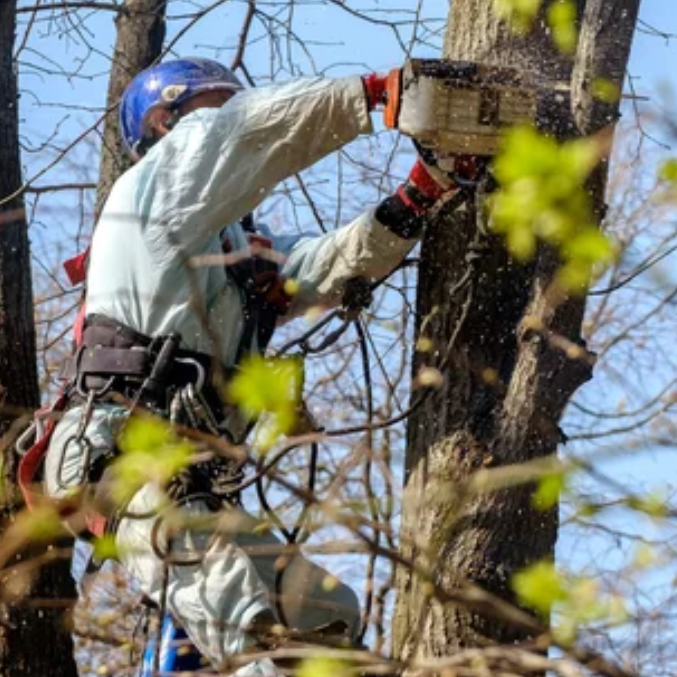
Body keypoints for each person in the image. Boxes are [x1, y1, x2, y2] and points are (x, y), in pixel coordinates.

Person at [42, 57, 467, 675]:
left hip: (190, 479)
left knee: (325, 614)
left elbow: (325, 266)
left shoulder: (233, 251)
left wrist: (422, 192)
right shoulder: (151, 197)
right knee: (246, 623)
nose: (231, 113)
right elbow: (242, 132)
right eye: (214, 105)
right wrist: (374, 96)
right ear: (165, 124)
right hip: (122, 456)